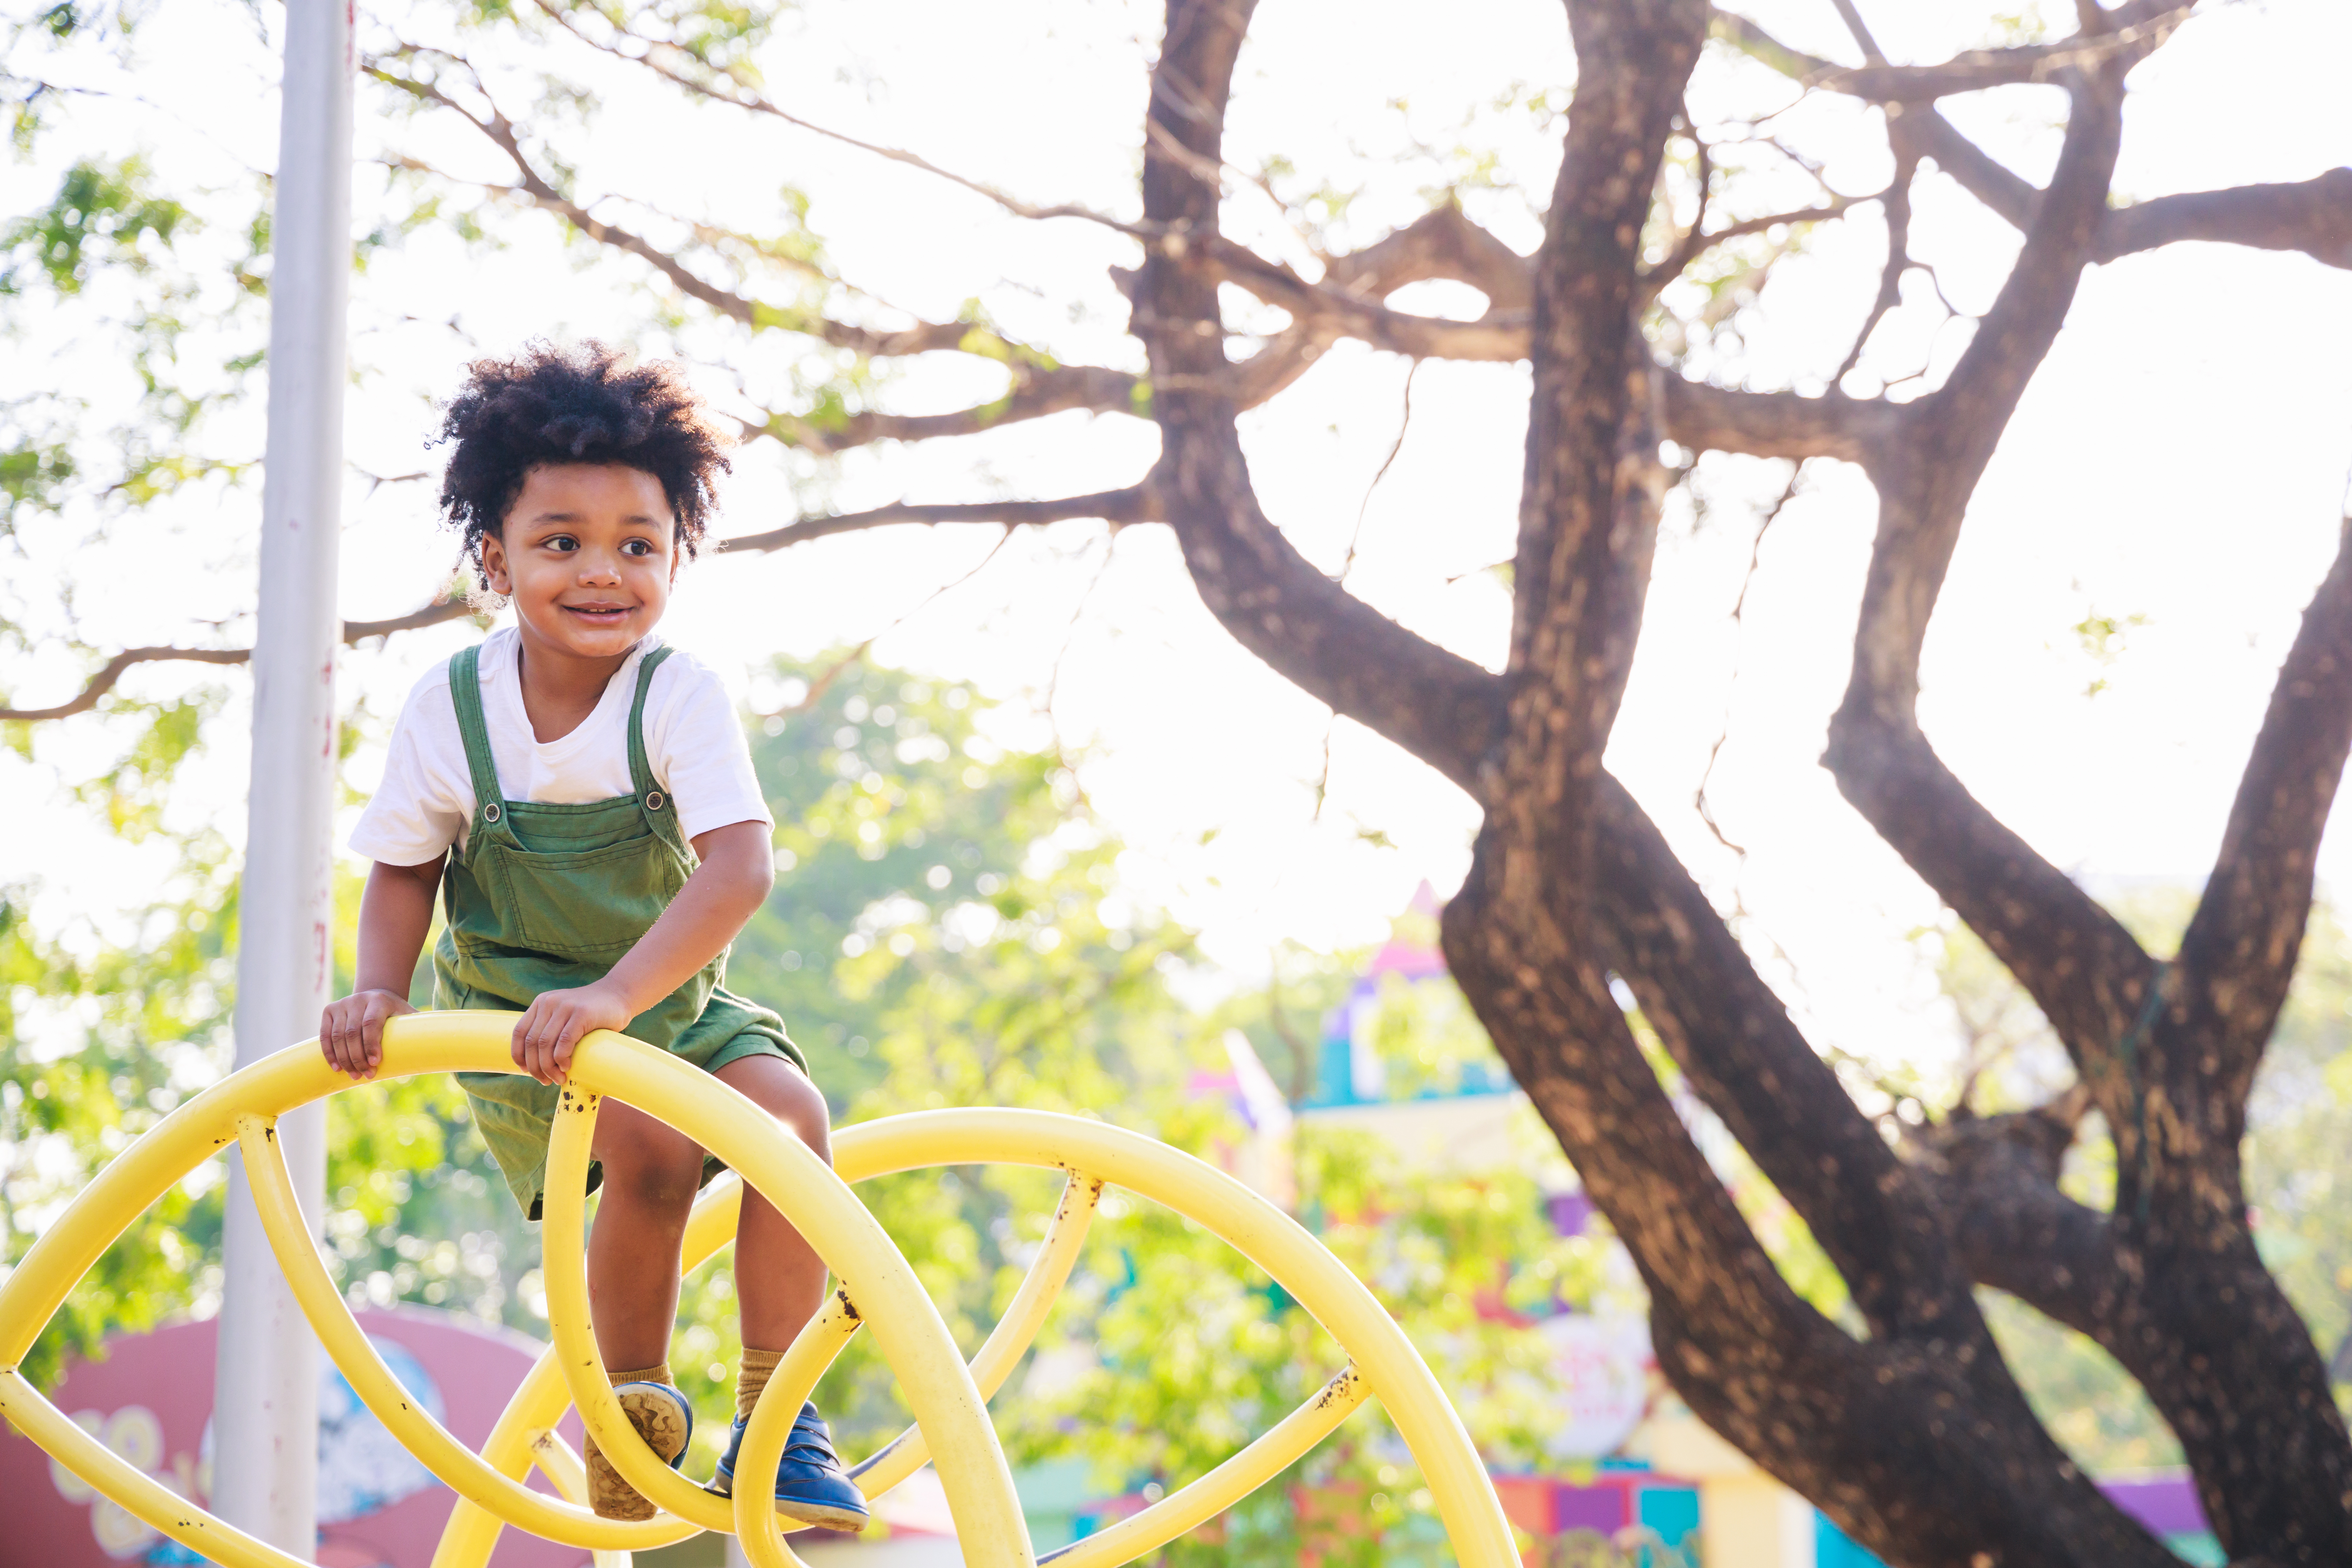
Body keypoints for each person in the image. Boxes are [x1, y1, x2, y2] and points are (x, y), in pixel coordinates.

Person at [317, 342, 866, 1530]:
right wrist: (376, 988)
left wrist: (625, 994)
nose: (603, 572)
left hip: (663, 992)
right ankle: (629, 1411)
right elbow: (403, 869)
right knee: (653, 1151)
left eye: (639, 544)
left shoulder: (676, 693)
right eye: (561, 541)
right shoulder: (452, 706)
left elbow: (739, 869)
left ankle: (784, 1418)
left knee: (795, 1119)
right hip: (524, 1012)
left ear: (676, 555)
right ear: (495, 557)